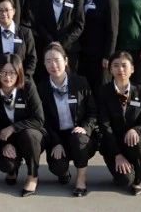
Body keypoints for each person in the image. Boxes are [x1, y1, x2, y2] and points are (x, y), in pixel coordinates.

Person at [37, 42, 97, 197]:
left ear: (65, 61)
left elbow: (92, 112)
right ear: (44, 64)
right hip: (57, 136)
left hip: (78, 133)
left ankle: (81, 179)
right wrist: (56, 142)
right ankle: (63, 172)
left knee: (79, 139)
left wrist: (85, 128)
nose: (53, 65)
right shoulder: (42, 88)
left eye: (57, 60)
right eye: (48, 61)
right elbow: (43, 120)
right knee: (57, 167)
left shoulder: (80, 82)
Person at [95, 50, 141, 195]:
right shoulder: (103, 92)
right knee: (125, 180)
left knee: (139, 142)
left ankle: (139, 176)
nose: (120, 69)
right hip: (112, 145)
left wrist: (136, 130)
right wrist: (117, 154)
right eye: (115, 65)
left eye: (124, 65)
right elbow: (104, 126)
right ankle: (126, 172)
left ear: (132, 69)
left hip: (133, 142)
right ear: (110, 69)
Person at [0, 53, 45, 196]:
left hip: (28, 135)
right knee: (6, 165)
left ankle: (32, 176)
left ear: (19, 73)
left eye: (12, 73)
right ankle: (13, 169)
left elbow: (38, 119)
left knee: (29, 135)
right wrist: (5, 144)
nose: (7, 77)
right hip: (5, 137)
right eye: (3, 72)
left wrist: (13, 127)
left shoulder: (28, 87)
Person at [77, 0, 118, 93]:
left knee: (100, 88)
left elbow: (113, 30)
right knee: (82, 87)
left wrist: (108, 55)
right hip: (80, 52)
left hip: (100, 54)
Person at [0, 0, 36, 87]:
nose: (4, 13)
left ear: (14, 11)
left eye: (7, 10)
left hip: (22, 83)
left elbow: (32, 58)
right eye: (0, 10)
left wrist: (23, 78)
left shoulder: (25, 33)